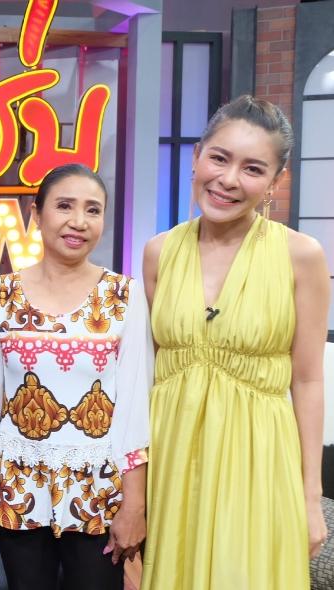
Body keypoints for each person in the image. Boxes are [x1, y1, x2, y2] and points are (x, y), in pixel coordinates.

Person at [141, 95, 330, 589]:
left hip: (258, 461)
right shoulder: (158, 252)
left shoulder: (302, 256)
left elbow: (308, 381)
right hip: (172, 459)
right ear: (197, 156)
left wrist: (311, 497)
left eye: (252, 168)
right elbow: (151, 372)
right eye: (219, 158)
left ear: (275, 182)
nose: (228, 179)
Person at [0, 163, 152, 590]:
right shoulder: (0, 294)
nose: (79, 222)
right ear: (37, 213)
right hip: (18, 486)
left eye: (93, 210)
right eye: (64, 206)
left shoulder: (124, 295)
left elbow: (134, 409)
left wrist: (134, 504)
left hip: (99, 491)